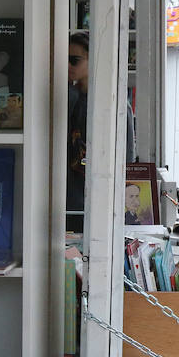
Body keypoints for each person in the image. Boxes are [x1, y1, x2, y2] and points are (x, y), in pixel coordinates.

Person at [66, 31, 135, 227]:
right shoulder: (66, 96)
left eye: (75, 60)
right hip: (66, 195)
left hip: (100, 195)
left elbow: (126, 154)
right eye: (65, 59)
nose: (68, 65)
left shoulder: (114, 103)